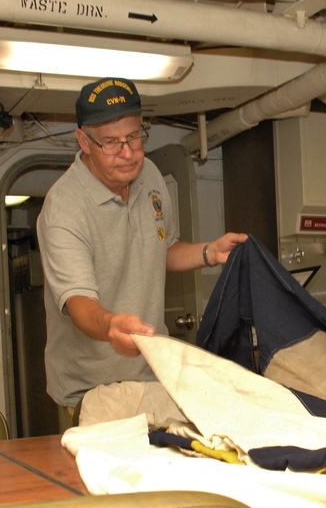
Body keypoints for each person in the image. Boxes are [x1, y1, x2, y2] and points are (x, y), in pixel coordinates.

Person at [37, 77, 247, 431]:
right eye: (111, 142)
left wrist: (211, 252)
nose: (129, 152)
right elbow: (80, 305)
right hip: (91, 392)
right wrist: (111, 325)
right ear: (83, 141)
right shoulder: (63, 210)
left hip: (152, 377)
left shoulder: (149, 175)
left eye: (134, 137)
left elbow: (162, 249)